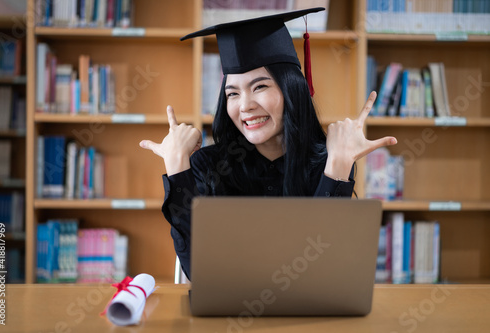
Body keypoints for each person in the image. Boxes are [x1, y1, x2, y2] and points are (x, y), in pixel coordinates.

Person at [139, 8, 397, 280]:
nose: (246, 106)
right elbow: (200, 274)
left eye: (260, 87)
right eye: (233, 93)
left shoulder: (327, 161)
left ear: (291, 88)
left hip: (310, 316)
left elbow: (322, 269)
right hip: (227, 315)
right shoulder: (209, 166)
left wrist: (340, 163)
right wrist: (178, 166)